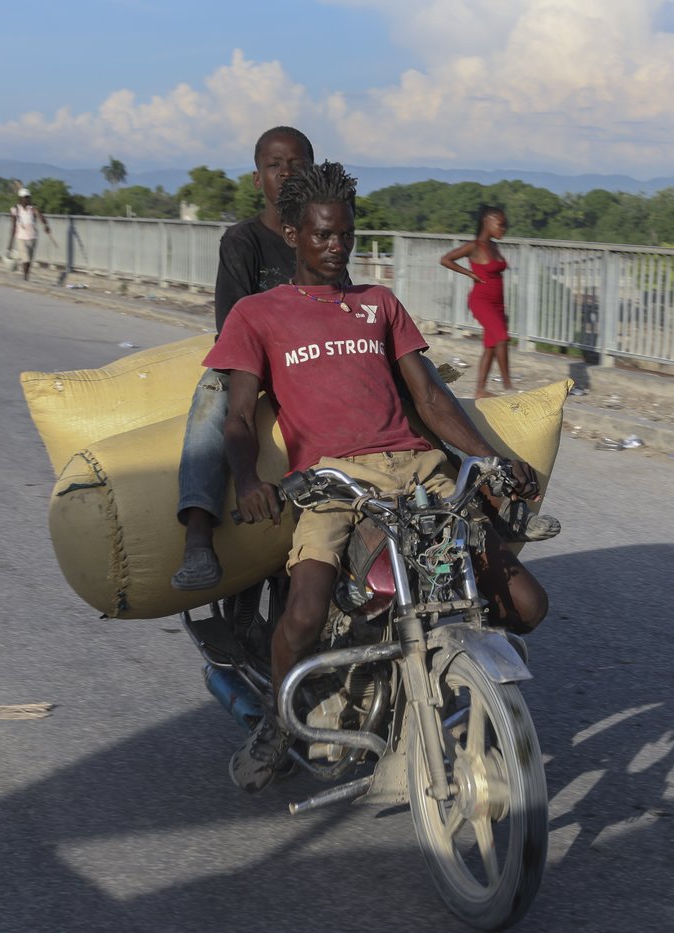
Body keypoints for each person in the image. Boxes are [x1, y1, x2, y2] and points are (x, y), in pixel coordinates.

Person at [205, 161, 550, 792]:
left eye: (346, 235)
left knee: (528, 604)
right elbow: (235, 416)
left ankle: (452, 678)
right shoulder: (258, 315)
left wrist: (488, 459)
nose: (337, 248)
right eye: (322, 236)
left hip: (418, 468)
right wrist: (250, 479)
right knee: (305, 613)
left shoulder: (380, 304)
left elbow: (433, 399)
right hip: (333, 482)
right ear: (293, 234)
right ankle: (279, 728)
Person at [170, 126, 315, 591]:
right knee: (214, 401)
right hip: (253, 361)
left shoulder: (320, 237)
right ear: (258, 179)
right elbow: (231, 327)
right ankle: (197, 537)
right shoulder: (242, 240)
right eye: (275, 165)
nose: (286, 173)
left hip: (311, 360)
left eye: (296, 164)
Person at [440, 206, 513, 398]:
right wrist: (470, 273)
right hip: (481, 300)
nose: (504, 228)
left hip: (498, 303)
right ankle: (509, 386)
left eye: (506, 225)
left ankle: (480, 390)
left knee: (490, 345)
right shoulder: (474, 246)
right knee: (502, 338)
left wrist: (503, 310)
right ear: (487, 222)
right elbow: (445, 259)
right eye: (501, 224)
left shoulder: (495, 247)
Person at [9, 188, 50, 281]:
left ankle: (26, 274)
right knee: (25, 258)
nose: (26, 200)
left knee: (30, 259)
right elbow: (13, 226)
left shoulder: (33, 209)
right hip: (20, 237)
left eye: (28, 197)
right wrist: (10, 243)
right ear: (20, 199)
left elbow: (41, 217)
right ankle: (25, 277)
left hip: (32, 237)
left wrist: (45, 225)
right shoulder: (15, 210)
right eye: (24, 198)